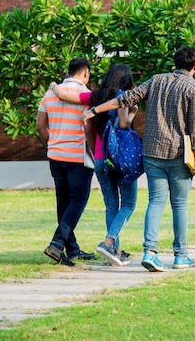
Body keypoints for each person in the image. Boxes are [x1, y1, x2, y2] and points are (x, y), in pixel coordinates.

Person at [83, 46, 195, 272]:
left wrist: (94, 110)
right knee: (179, 204)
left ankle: (150, 252)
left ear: (175, 62)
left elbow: (125, 98)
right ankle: (181, 255)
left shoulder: (156, 80)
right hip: (179, 154)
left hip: (151, 153)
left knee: (155, 202)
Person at [50, 63, 138, 267]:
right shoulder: (124, 95)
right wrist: (132, 113)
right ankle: (109, 244)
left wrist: (54, 86)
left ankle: (113, 251)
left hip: (100, 157)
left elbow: (64, 96)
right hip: (120, 159)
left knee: (111, 205)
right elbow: (124, 123)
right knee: (129, 204)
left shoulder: (96, 96)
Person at [36, 57, 96, 267]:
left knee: (64, 202)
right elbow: (89, 127)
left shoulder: (49, 94)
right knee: (78, 200)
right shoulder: (87, 96)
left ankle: (72, 248)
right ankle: (57, 243)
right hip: (78, 156)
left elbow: (40, 126)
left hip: (56, 156)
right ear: (86, 73)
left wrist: (52, 143)